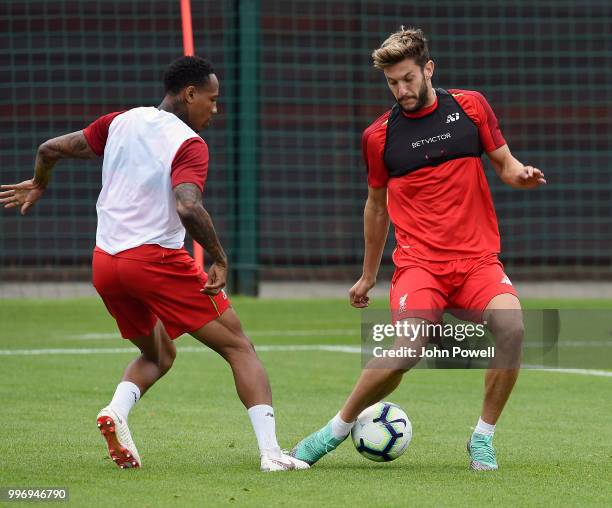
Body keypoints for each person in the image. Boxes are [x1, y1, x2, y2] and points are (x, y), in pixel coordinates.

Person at [0, 56, 308, 473]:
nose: (215, 110)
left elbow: (49, 149)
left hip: (105, 265)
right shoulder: (189, 143)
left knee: (160, 354)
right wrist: (219, 257)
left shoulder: (119, 122)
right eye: (212, 100)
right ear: (190, 94)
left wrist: (39, 183)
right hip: (154, 261)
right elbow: (187, 206)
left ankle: (116, 412)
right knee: (240, 347)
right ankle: (272, 453)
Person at [291, 28, 546, 471]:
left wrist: (520, 174)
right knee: (407, 349)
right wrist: (369, 274)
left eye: (408, 78)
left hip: (476, 262)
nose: (402, 90)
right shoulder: (379, 136)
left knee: (514, 328)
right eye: (392, 82)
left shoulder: (470, 107)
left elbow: (504, 164)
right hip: (419, 267)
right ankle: (333, 430)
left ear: (429, 69)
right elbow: (376, 207)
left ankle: (482, 438)